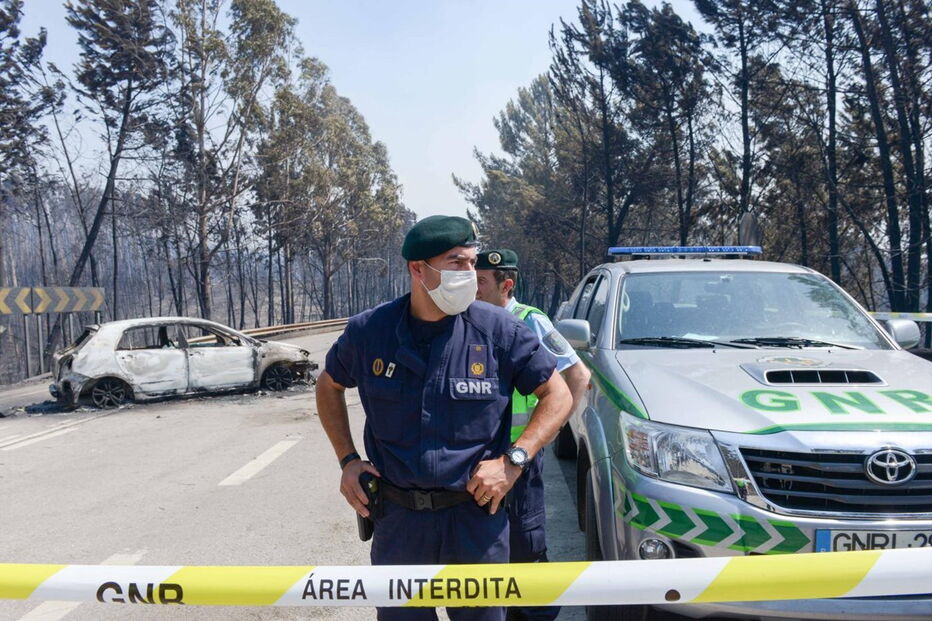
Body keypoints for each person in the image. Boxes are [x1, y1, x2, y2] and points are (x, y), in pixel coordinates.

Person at [316, 216, 573, 621]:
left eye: (472, 263)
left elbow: (558, 393)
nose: (469, 274)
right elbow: (328, 385)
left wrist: (514, 460)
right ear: (418, 269)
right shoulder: (371, 332)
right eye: (457, 263)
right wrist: (348, 460)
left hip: (475, 519)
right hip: (399, 523)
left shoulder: (499, 330)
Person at [475, 249, 592, 621]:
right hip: (480, 463)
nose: (471, 289)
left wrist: (546, 434)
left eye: (479, 282)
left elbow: (579, 378)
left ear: (506, 285)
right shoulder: (467, 321)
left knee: (526, 551)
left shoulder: (531, 322)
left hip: (519, 461)